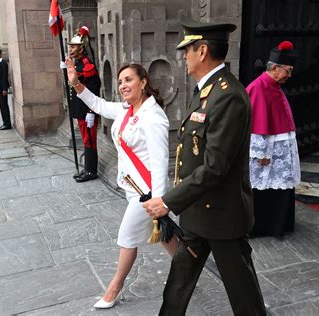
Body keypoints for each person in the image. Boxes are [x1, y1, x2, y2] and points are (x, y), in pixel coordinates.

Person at [142, 18, 266, 315]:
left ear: (203, 51)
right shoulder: (206, 90)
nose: (183, 56)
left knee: (243, 294)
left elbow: (214, 167)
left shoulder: (229, 96)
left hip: (223, 218)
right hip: (198, 212)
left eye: (188, 50)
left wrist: (168, 202)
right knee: (178, 282)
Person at [66, 59, 178, 309]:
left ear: (143, 82)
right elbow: (99, 105)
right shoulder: (127, 109)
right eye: (120, 82)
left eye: (129, 80)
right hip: (132, 188)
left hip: (147, 193)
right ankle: (188, 266)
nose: (123, 86)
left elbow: (161, 161)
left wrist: (159, 201)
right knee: (164, 234)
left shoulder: (152, 116)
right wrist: (76, 84)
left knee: (127, 237)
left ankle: (115, 287)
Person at [247, 41, 300, 238]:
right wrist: (261, 153)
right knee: (263, 189)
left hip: (279, 150)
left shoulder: (274, 85)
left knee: (280, 187)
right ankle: (263, 227)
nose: (290, 75)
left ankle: (278, 225)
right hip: (267, 153)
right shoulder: (258, 88)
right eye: (288, 70)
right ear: (275, 68)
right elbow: (256, 124)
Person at [67, 26, 101, 182]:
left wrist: (91, 112)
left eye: (74, 46)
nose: (71, 49)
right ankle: (87, 168)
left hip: (87, 111)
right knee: (86, 138)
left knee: (89, 140)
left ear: (81, 48)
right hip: (80, 109)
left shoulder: (87, 65)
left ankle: (91, 171)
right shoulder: (78, 63)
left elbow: (94, 89)